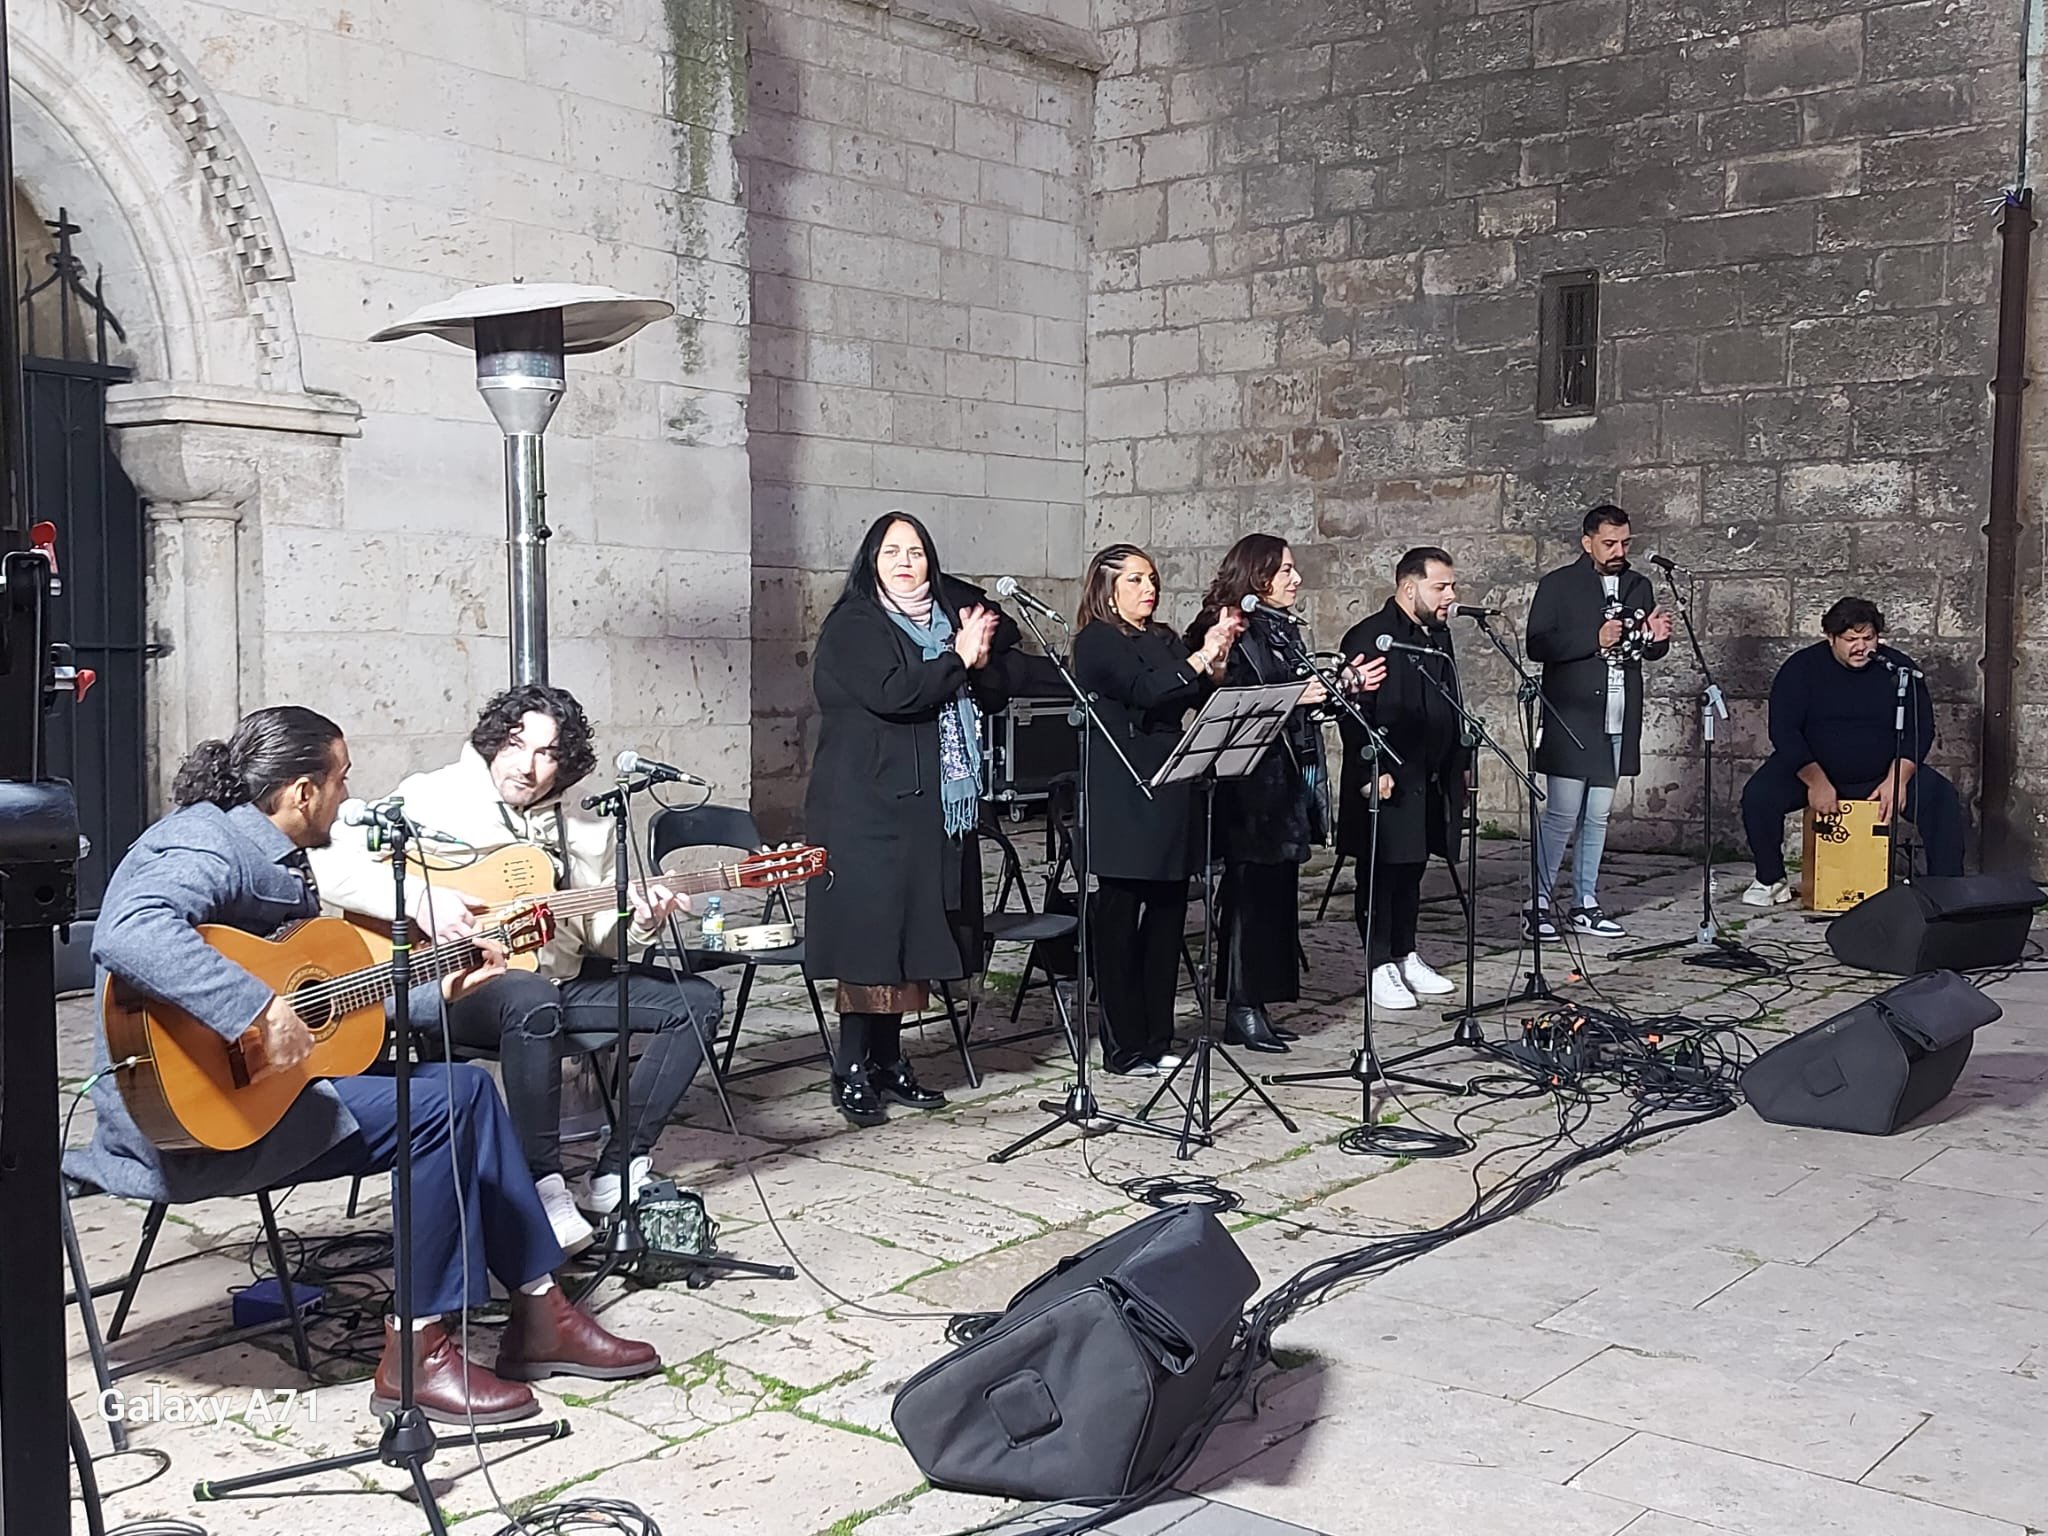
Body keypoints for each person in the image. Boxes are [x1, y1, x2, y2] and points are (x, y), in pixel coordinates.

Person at [67, 707, 658, 1424]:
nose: (349, 797)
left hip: (269, 1097)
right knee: (444, 1108)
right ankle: (417, 1354)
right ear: (301, 792)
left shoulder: (273, 853)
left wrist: (442, 985)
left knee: (465, 1090)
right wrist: (255, 1010)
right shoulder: (205, 844)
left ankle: (539, 1313)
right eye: (341, 780)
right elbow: (130, 930)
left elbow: (332, 999)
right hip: (194, 1124)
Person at [310, 684, 717, 1253]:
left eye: (546, 754)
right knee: (529, 998)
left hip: (556, 982)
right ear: (494, 740)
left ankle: (616, 1170)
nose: (527, 767)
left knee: (694, 1001)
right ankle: (541, 1181)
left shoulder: (588, 829)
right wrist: (421, 898)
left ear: (565, 762)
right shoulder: (431, 797)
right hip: (459, 985)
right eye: (516, 744)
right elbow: (328, 861)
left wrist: (644, 920)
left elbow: (602, 941)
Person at [804, 512, 1005, 1127]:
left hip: (920, 809)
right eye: (891, 552)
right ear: (871, 562)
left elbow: (983, 690)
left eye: (916, 552)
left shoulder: (943, 626)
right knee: (870, 940)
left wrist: (976, 655)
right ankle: (852, 1068)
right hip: (863, 810)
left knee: (907, 939)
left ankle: (892, 1063)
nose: (905, 562)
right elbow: (896, 693)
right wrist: (958, 661)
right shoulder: (855, 625)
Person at [1184, 534, 1384, 1052]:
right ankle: (1240, 1005)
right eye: (1286, 570)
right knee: (1249, 899)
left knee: (1277, 898)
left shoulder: (1280, 629)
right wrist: (1299, 692)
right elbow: (1229, 696)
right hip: (1248, 784)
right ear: (1257, 575)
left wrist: (1345, 685)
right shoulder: (1225, 625)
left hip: (1288, 779)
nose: (1295, 580)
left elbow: (1300, 691)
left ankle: (1262, 1001)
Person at [1072, 544, 1242, 1073]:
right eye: (1137, 581)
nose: (1150, 589)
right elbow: (1145, 691)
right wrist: (1197, 659)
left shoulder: (1163, 638)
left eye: (1153, 580)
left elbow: (1188, 694)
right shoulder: (1096, 642)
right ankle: (1122, 1044)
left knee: (1168, 918)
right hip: (1124, 790)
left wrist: (1216, 658)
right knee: (1121, 919)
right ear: (1108, 589)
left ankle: (1158, 1037)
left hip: (1172, 783)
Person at [1740, 597, 1962, 902]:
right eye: (1850, 639)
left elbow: (1919, 729)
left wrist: (1898, 778)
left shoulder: (1899, 670)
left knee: (1941, 797)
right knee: (1758, 795)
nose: (1860, 647)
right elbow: (1784, 731)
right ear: (1831, 638)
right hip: (1814, 770)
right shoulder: (1801, 668)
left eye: (1868, 638)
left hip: (1880, 775)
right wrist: (1816, 781)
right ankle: (1770, 879)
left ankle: (1946, 890)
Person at [1524, 504, 1673, 940]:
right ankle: (1538, 901)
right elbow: (1538, 644)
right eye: (1609, 543)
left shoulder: (1638, 585)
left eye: (1625, 542)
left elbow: (1647, 652)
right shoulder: (1558, 585)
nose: (1618, 550)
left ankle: (1585, 900)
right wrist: (1594, 638)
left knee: (1599, 814)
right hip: (1572, 712)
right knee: (1563, 812)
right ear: (1587, 541)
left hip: (1618, 712)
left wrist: (1655, 639)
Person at [1337, 549, 1469, 1011]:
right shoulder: (1371, 636)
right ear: (1410, 587)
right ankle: (1378, 964)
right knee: (1380, 870)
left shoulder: (1438, 637)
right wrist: (1372, 771)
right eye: (1441, 586)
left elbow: (1449, 698)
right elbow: (1352, 712)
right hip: (1385, 773)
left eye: (1452, 586)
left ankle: (1405, 952)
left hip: (1427, 772)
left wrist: (1458, 758)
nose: (1450, 595)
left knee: (1413, 867)